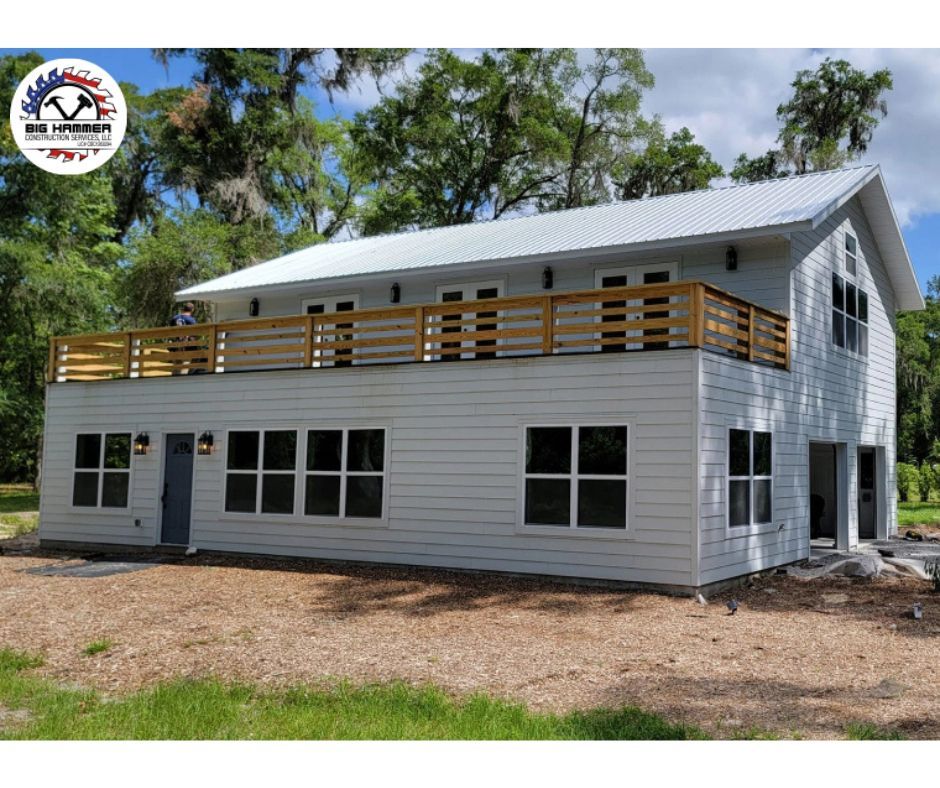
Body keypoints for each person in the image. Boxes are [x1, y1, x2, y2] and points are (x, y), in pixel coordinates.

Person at [168, 303, 201, 375]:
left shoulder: (175, 318)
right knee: (187, 361)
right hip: (187, 344)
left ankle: (173, 379)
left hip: (176, 344)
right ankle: (184, 377)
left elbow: (170, 331)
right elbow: (196, 333)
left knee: (177, 363)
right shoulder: (191, 320)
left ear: (183, 309)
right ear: (192, 310)